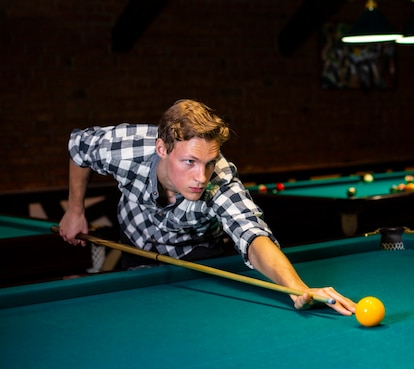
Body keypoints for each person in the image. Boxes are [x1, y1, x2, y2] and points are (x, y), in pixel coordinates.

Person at [58, 99, 356, 315]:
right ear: (162, 149)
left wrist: (297, 287)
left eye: (209, 162)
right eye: (189, 162)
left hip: (198, 255)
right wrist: (75, 210)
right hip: (135, 240)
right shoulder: (125, 147)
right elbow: (79, 147)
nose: (201, 177)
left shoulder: (220, 181)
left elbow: (252, 235)